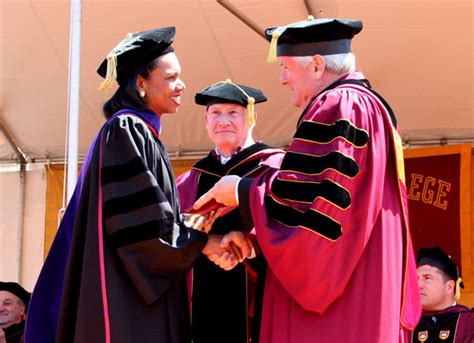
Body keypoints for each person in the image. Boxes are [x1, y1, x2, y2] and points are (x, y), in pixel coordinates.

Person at [193, 17, 422, 342]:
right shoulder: (367, 106)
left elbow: (315, 203)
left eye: (286, 67)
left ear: (316, 65)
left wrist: (241, 190)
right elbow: (335, 207)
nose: (282, 79)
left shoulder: (339, 104)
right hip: (365, 283)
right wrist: (257, 242)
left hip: (340, 308)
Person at [25, 27, 242, 343]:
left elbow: (148, 216)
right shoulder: (127, 129)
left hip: (137, 288)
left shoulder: (139, 132)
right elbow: (141, 224)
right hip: (125, 297)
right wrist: (204, 243)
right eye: (170, 78)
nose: (181, 86)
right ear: (140, 83)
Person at [176, 80, 284, 343]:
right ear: (205, 120)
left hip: (258, 298)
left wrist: (250, 243)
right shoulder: (190, 180)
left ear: (252, 118)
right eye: (216, 113)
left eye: (233, 113)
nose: (223, 121)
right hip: (200, 308)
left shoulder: (275, 167)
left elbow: (289, 227)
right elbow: (169, 233)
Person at [411, 246, 473, 342]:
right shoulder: (409, 323)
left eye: (427, 278)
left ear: (449, 286)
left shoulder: (468, 322)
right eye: (417, 279)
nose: (418, 285)